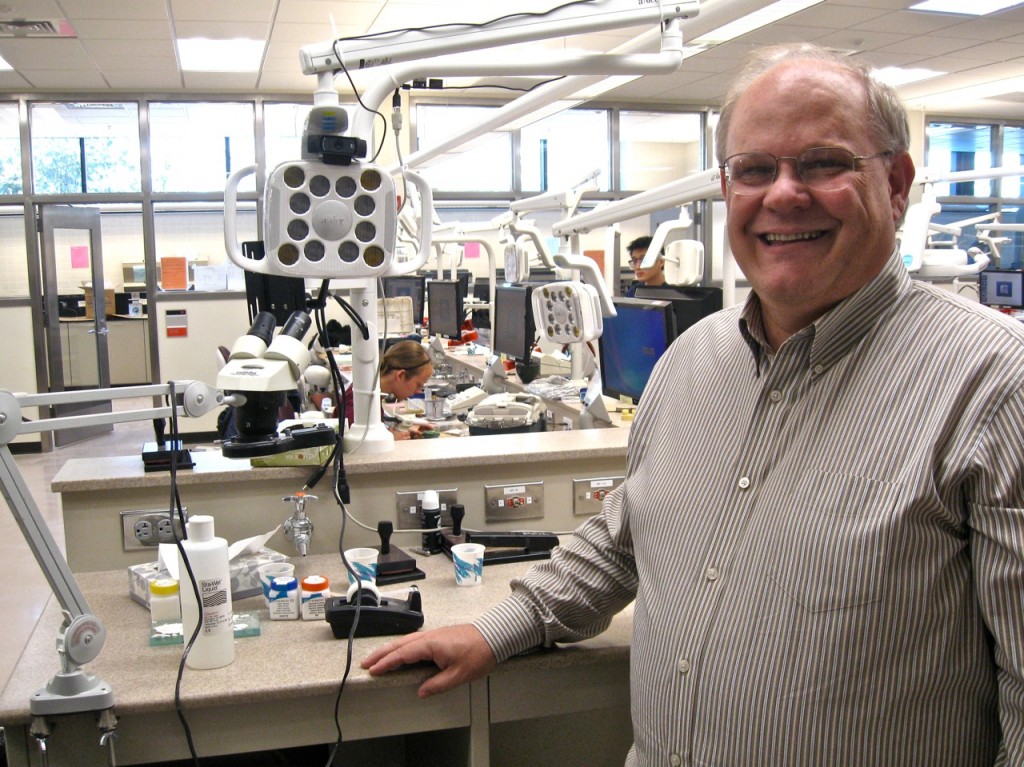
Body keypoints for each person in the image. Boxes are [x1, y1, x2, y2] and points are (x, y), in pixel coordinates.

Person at [362, 43, 1024, 765]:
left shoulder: (992, 384)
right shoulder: (691, 362)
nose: (783, 193)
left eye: (824, 163)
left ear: (895, 183)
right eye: (756, 169)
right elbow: (623, 538)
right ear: (727, 185)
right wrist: (499, 627)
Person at [312, 339, 434, 440]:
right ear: (401, 375)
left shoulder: (373, 390)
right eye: (419, 384)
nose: (418, 391)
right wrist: (390, 438)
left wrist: (403, 432)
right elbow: (355, 444)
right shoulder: (362, 398)